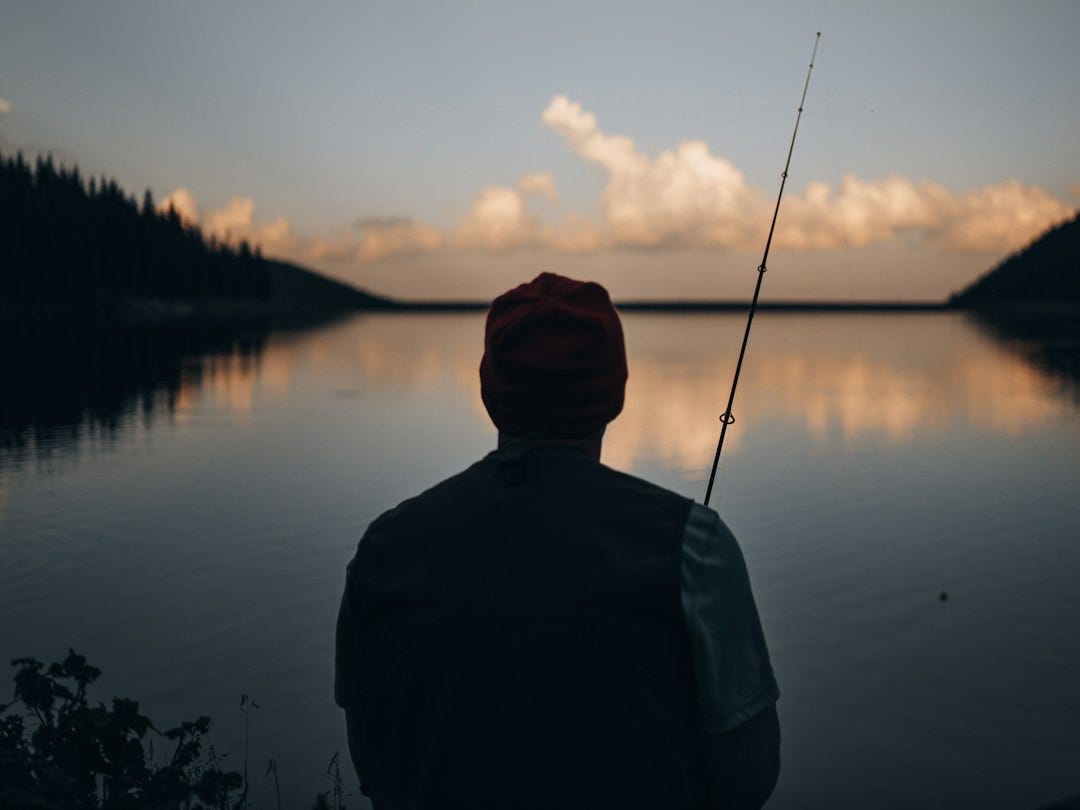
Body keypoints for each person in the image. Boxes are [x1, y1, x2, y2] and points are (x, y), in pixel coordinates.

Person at [335, 272, 780, 809]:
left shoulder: (386, 547)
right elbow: (749, 779)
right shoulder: (694, 548)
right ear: (614, 393)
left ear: (490, 392)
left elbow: (370, 756)